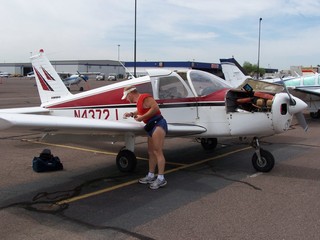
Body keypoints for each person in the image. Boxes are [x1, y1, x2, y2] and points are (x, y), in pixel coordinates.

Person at [122, 85, 168, 189]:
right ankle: (151, 175)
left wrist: (142, 118)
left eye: (126, 97)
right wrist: (131, 113)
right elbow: (142, 110)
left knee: (157, 152)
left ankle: (161, 179)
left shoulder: (145, 97)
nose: (127, 99)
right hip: (151, 126)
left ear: (130, 94)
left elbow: (155, 107)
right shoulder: (140, 102)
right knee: (151, 152)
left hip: (158, 124)